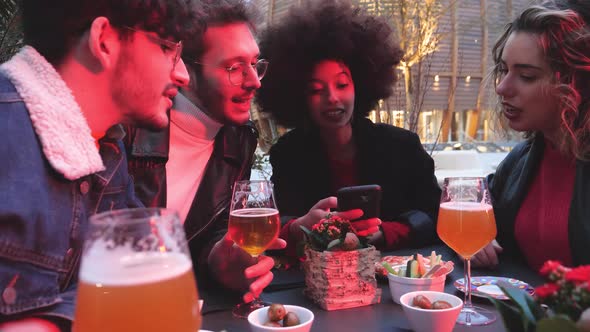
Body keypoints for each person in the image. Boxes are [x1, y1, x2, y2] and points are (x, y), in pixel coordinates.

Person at [0, 0, 196, 330]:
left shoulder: (105, 146)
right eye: (167, 48)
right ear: (104, 39)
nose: (183, 75)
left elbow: (137, 271)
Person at [124, 0, 285, 303]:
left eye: (255, 64)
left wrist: (221, 260)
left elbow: (212, 232)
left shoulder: (238, 140)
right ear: (186, 69)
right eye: (234, 68)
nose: (253, 82)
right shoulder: (128, 129)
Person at [255, 0, 441, 260]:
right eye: (316, 90)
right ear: (298, 96)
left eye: (341, 84)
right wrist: (300, 227)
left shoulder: (403, 146)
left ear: (360, 86)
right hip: (318, 284)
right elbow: (280, 222)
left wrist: (386, 233)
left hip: (395, 281)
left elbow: (434, 213)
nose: (332, 98)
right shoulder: (288, 153)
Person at [472, 0, 590, 271]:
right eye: (504, 69)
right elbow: (472, 204)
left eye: (526, 76)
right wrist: (476, 239)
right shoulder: (520, 160)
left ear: (576, 82)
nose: (502, 87)